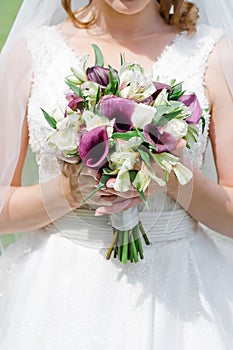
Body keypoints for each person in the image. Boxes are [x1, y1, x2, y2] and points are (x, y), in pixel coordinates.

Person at [0, 0, 233, 349]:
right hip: (60, 293)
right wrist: (70, 190)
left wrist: (173, 177)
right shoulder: (31, 54)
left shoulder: (212, 54)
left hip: (180, 293)